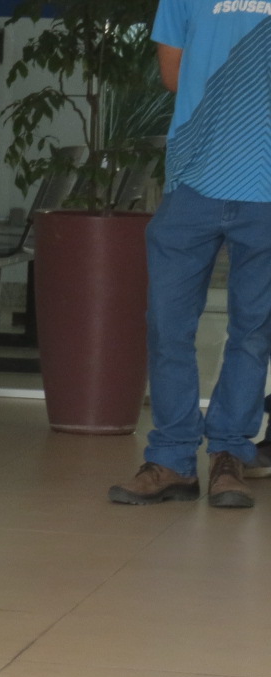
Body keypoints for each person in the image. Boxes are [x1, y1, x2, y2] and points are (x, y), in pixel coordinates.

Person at [108, 0, 271, 508]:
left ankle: (229, 456)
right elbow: (173, 75)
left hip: (267, 187)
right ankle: (172, 460)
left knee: (253, 329)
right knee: (167, 324)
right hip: (192, 181)